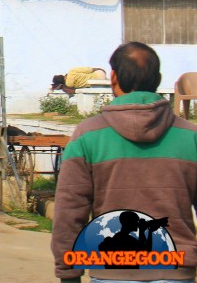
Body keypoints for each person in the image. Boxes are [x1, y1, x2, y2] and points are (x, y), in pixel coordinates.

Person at [51, 42, 197, 283]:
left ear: (113, 78)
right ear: (157, 79)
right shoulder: (190, 137)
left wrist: (68, 273)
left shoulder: (87, 135)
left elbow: (70, 209)